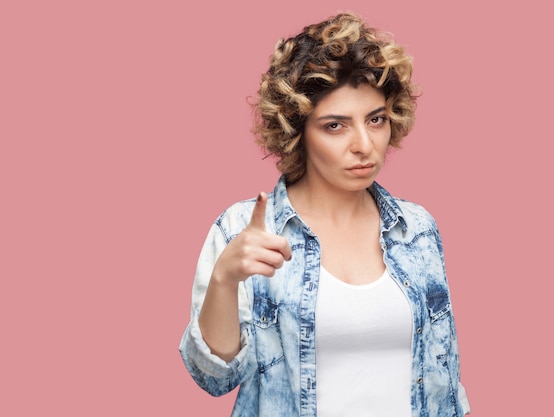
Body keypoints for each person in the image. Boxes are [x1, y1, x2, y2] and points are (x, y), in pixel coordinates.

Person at [179, 12, 470, 417]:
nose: (364, 145)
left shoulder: (416, 228)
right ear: (299, 132)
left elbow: (445, 384)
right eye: (336, 126)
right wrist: (225, 278)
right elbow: (213, 378)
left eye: (376, 119)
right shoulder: (243, 230)